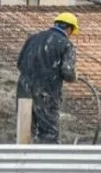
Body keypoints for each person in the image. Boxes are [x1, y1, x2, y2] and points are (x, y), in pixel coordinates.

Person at [15, 12, 79, 144]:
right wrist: (74, 77)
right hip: (47, 94)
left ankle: (23, 162)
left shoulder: (33, 38)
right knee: (48, 134)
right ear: (69, 29)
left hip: (24, 91)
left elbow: (20, 63)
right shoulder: (66, 44)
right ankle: (46, 162)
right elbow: (68, 72)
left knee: (24, 132)